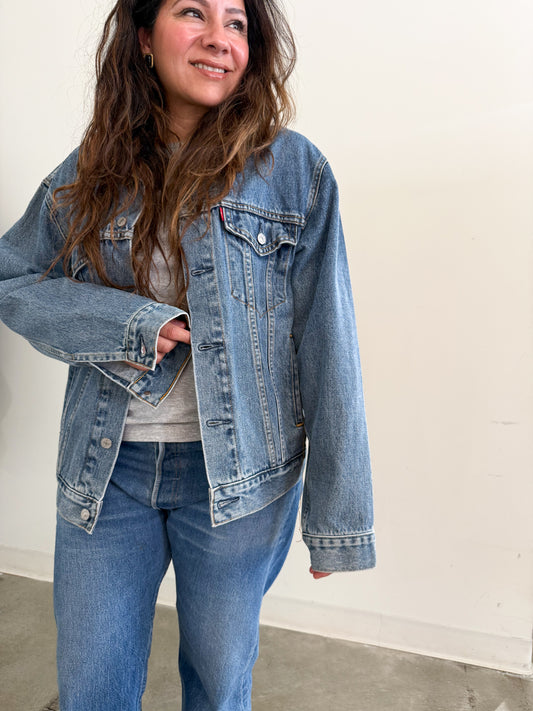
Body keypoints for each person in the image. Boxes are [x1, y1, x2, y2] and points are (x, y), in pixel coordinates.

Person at [0, 0, 375, 708]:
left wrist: (336, 518)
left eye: (236, 22)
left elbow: (328, 343)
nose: (218, 39)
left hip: (241, 482)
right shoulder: (90, 171)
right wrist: (130, 323)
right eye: (194, 13)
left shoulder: (293, 170)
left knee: (218, 687)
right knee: (91, 687)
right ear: (144, 38)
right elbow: (12, 277)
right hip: (107, 472)